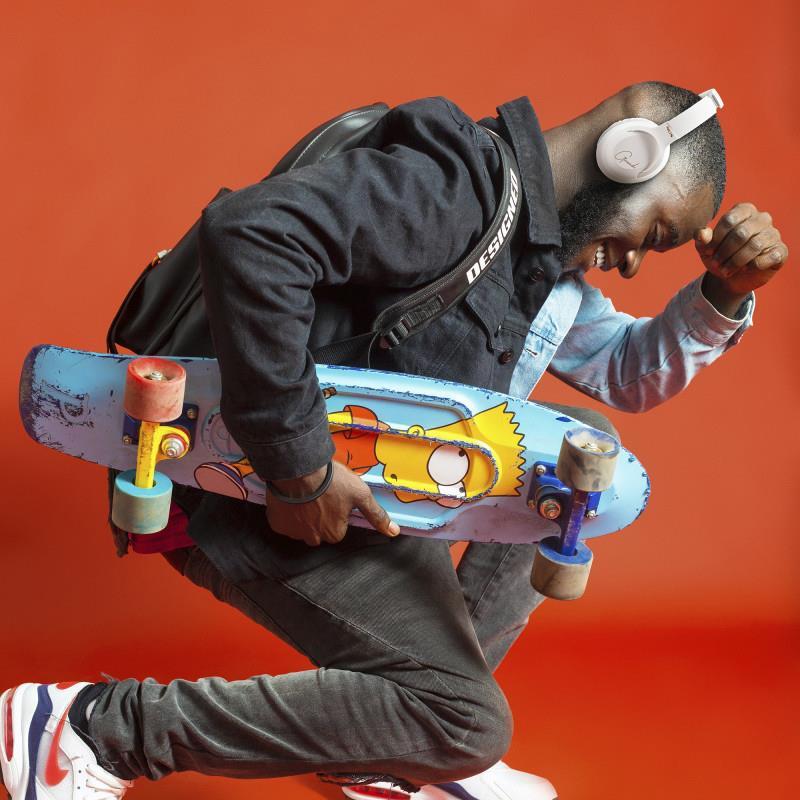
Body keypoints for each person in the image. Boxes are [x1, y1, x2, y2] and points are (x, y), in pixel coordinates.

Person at [1, 82, 788, 800]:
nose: (635, 263)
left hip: (356, 500)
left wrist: (724, 294)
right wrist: (301, 469)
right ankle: (89, 731)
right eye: (653, 232)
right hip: (237, 484)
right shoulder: (456, 185)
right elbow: (249, 236)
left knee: (574, 456)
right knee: (468, 724)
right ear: (629, 153)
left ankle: (390, 755)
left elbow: (628, 373)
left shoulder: (542, 271)